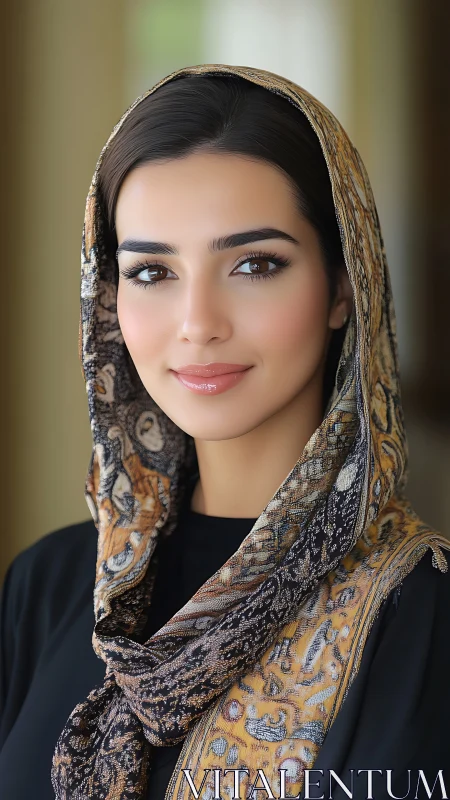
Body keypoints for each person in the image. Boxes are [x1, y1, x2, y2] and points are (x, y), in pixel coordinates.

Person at [0, 63, 449, 800]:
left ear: (343, 286)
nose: (198, 324)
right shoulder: (49, 590)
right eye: (151, 273)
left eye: (254, 264)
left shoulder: (422, 620)